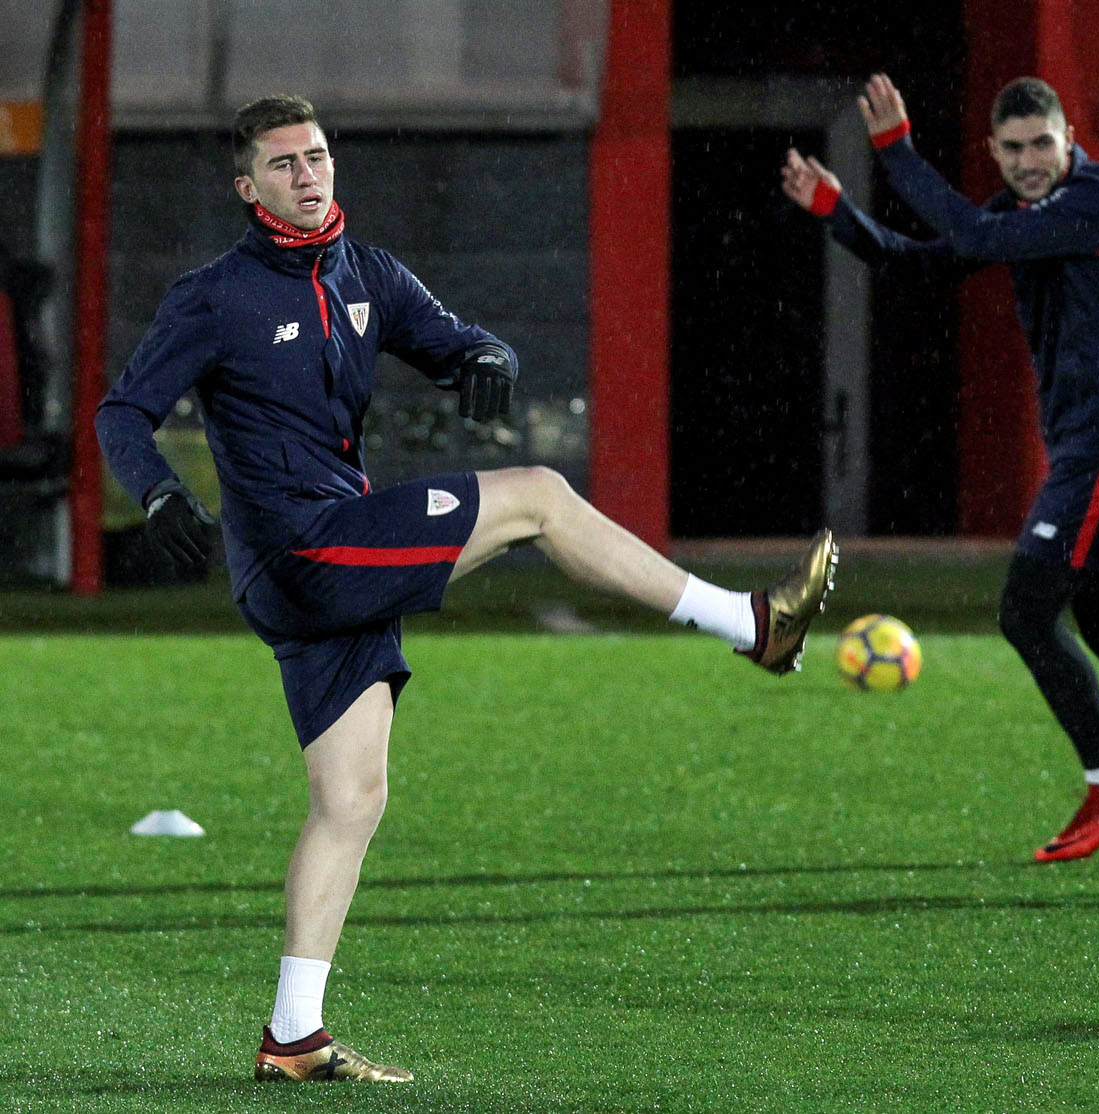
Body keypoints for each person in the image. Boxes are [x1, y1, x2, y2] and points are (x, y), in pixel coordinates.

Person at [95, 95, 837, 1083]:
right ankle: (749, 623)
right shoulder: (214, 296)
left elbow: (467, 343)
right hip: (300, 555)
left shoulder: (368, 274)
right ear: (247, 187)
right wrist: (157, 498)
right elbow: (122, 411)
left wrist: (490, 360)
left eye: (316, 156)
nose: (307, 175)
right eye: (283, 165)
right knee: (538, 495)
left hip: (337, 559)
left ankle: (293, 1035)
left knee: (350, 800)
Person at [782, 75, 1099, 864]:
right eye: (1014, 148)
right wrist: (837, 214)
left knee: (1027, 613)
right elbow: (922, 261)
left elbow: (979, 239)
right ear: (994, 152)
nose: (1029, 161)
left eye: (1042, 144)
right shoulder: (1021, 209)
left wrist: (895, 151)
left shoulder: (1094, 203)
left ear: (1068, 139)